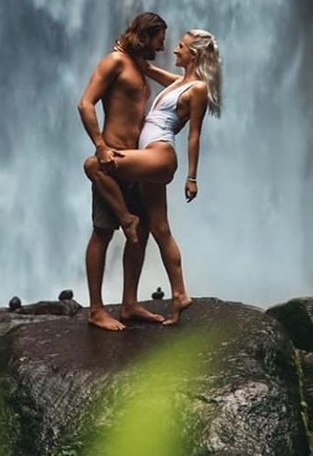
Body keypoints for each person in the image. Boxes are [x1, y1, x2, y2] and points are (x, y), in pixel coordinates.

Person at [84, 29, 222, 324]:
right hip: (146, 157)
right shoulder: (180, 83)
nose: (174, 50)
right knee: (160, 229)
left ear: (194, 55)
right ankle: (179, 295)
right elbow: (150, 71)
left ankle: (126, 217)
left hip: (159, 157)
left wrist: (192, 176)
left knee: (94, 165)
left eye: (181, 47)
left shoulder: (196, 88)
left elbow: (195, 135)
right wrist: (134, 56)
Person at [77, 11, 169, 331]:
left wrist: (149, 67)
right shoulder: (114, 62)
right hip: (113, 160)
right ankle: (97, 309)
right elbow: (86, 103)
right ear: (145, 35)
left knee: (141, 234)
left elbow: (187, 86)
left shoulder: (140, 68)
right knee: (102, 233)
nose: (164, 46)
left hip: (136, 161)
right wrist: (101, 146)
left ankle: (129, 303)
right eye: (160, 39)